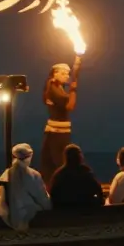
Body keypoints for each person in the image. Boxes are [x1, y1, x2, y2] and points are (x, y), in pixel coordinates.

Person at [39, 56, 82, 189]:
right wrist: (74, 89)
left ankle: (53, 187)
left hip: (56, 132)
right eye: (63, 73)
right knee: (59, 163)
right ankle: (61, 188)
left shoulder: (57, 87)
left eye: (67, 74)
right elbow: (70, 106)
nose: (66, 76)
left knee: (50, 164)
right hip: (57, 133)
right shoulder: (53, 88)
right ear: (54, 73)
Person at [0, 143, 52, 231]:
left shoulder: (6, 174)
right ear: (29, 157)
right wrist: (49, 207)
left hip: (9, 217)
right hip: (31, 217)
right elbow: (41, 197)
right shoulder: (33, 175)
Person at [49, 143, 104, 209]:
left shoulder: (59, 174)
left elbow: (53, 195)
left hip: (63, 213)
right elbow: (98, 190)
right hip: (85, 211)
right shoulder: (85, 172)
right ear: (80, 156)